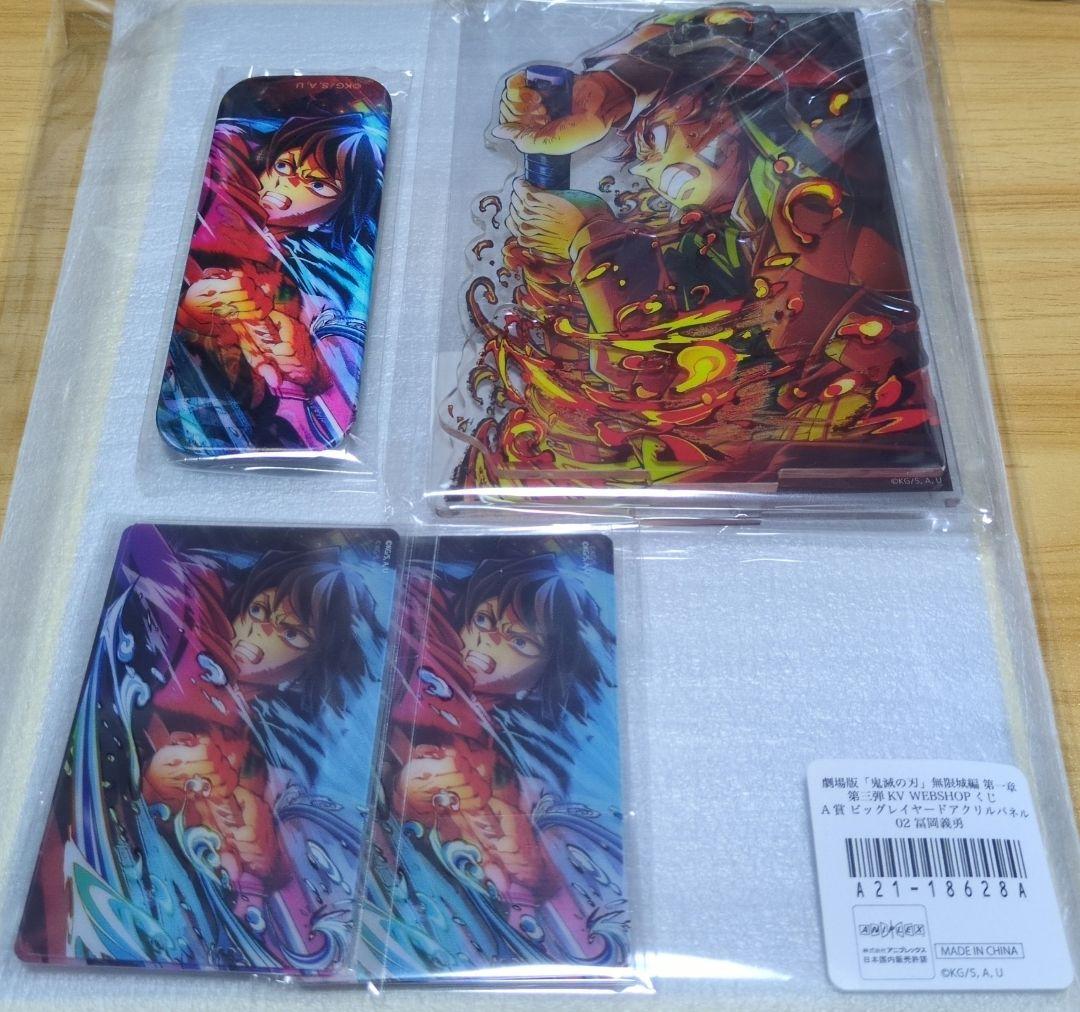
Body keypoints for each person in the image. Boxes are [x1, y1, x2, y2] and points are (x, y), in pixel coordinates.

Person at [384, 553, 616, 958]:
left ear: (544, 675)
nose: (487, 642)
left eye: (519, 642)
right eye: (483, 621)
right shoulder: (426, 633)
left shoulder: (510, 742)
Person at [161, 103, 388, 451]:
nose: (288, 183)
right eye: (284, 165)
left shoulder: (312, 272)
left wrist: (311, 367)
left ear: (338, 212)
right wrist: (192, 311)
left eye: (318, 184)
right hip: (193, 391)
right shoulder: (224, 197)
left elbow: (318, 325)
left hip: (254, 408)